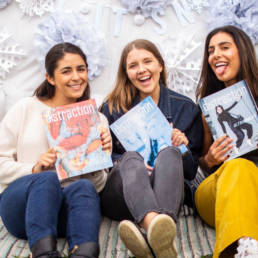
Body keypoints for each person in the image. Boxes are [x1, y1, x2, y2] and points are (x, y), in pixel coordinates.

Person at [0, 42, 112, 258]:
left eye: (81, 69)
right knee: (47, 179)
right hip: (22, 208)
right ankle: (43, 254)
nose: (76, 77)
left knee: (84, 188)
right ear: (50, 78)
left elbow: (97, 186)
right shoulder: (26, 108)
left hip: (65, 213)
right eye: (66, 71)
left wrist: (99, 157)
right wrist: (34, 168)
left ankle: (85, 253)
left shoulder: (96, 119)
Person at [100, 39, 203, 258]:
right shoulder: (110, 108)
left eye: (147, 61)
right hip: (123, 195)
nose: (141, 70)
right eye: (133, 65)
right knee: (130, 158)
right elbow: (102, 162)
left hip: (166, 192)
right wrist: (132, 165)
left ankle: (151, 235)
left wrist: (181, 147)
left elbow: (192, 172)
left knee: (171, 152)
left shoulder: (185, 108)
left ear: (160, 65)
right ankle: (157, 229)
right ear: (126, 72)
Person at [195, 25, 258, 258]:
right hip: (216, 192)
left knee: (245, 169)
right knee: (238, 166)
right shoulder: (207, 106)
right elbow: (200, 163)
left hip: (254, 191)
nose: (215, 55)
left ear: (243, 52)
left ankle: (242, 251)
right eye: (211, 50)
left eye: (224, 47)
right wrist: (209, 159)